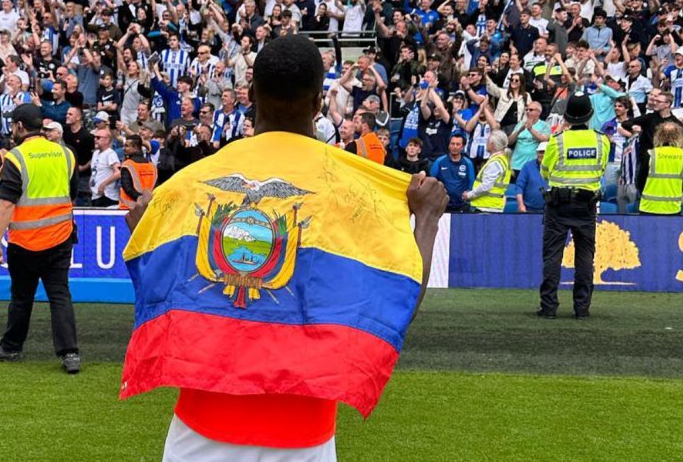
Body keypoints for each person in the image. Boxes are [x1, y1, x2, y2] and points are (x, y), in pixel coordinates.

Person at [120, 34, 447, 460]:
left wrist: (142, 225)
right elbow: (397, 305)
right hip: (304, 438)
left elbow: (155, 285)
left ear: (251, 94)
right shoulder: (350, 191)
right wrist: (426, 220)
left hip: (199, 433)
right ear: (318, 105)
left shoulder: (195, 182)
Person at [0, 104, 81, 373]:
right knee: (60, 295)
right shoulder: (66, 153)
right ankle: (69, 354)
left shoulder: (16, 157)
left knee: (21, 297)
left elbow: (6, 203)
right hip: (60, 238)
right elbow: (72, 195)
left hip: (24, 242)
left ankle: (11, 347)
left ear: (18, 126)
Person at [539, 93, 610, 319]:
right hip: (586, 205)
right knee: (585, 257)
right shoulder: (602, 141)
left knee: (552, 256)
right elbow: (601, 169)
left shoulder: (557, 140)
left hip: (559, 205)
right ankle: (582, 308)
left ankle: (549, 308)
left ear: (567, 116)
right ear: (590, 115)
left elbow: (545, 172)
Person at [637, 121, 683, 215]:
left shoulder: (651, 154)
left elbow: (640, 181)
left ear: (658, 135)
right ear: (678, 136)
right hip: (673, 207)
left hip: (649, 206)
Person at [466, 131, 511, 213]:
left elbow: (486, 186)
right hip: (492, 206)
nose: (486, 143)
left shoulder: (495, 162)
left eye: (488, 141)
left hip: (485, 207)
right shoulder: (503, 160)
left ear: (493, 145)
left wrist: (469, 195)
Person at [430, 132, 475, 213]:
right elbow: (431, 181)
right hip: (443, 205)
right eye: (452, 144)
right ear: (448, 145)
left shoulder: (468, 163)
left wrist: (468, 193)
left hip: (462, 206)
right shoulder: (440, 161)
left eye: (458, 144)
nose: (454, 147)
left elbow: (471, 184)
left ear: (462, 147)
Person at [117, 135, 156, 211]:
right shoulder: (151, 165)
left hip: (128, 209)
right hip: (148, 207)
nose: (124, 148)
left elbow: (127, 188)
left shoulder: (127, 164)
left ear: (135, 147)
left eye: (127, 146)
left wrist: (140, 198)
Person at [88, 126, 121, 207]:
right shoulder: (95, 153)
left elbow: (118, 172)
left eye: (98, 137)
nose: (95, 139)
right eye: (94, 137)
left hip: (107, 196)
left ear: (107, 140)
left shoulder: (110, 154)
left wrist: (104, 184)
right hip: (95, 195)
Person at [515, 141, 549, 213]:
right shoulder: (528, 166)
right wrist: (521, 205)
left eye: (545, 152)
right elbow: (519, 187)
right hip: (529, 210)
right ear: (537, 153)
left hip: (549, 210)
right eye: (540, 152)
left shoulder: (555, 167)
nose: (542, 155)